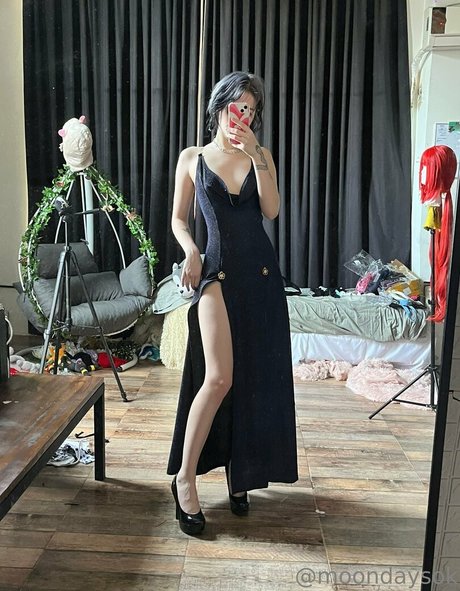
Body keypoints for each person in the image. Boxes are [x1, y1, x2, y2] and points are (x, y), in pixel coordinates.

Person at [167, 71, 298, 535]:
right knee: (219, 377)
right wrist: (191, 250)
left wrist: (257, 155)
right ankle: (184, 479)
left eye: (249, 109)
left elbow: (271, 210)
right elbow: (178, 219)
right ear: (219, 106)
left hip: (260, 277)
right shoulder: (192, 158)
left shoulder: (261, 156)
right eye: (235, 106)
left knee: (253, 380)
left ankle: (239, 475)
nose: (241, 115)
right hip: (216, 275)